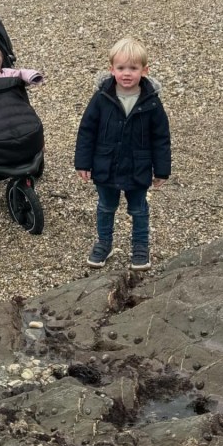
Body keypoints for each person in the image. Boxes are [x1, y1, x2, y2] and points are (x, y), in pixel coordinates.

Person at [74, 36, 171, 271]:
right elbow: (87, 131)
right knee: (106, 207)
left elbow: (161, 138)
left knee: (138, 209)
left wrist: (162, 170)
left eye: (133, 68)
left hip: (138, 166)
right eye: (121, 68)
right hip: (105, 164)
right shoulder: (101, 98)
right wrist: (83, 163)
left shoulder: (152, 103)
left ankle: (140, 247)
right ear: (111, 70)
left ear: (144, 71)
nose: (127, 73)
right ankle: (104, 244)